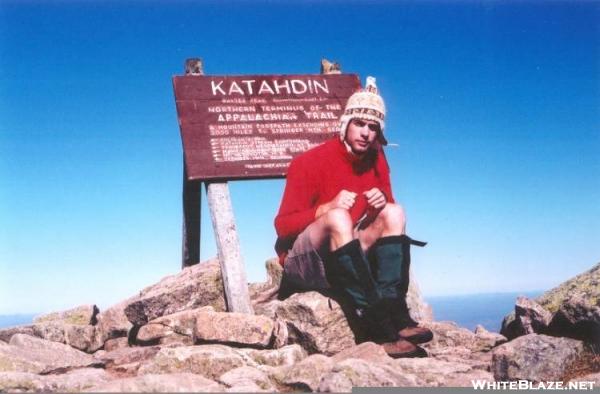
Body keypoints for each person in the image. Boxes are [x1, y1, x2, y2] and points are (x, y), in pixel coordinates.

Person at [273, 76, 433, 358]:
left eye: (373, 127)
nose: (366, 133)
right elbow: (283, 226)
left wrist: (382, 202)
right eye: (359, 123)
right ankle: (374, 327)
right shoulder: (308, 162)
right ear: (345, 123)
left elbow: (386, 219)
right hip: (305, 264)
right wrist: (324, 209)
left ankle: (395, 313)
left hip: (347, 257)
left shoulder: (377, 159)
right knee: (338, 218)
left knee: (395, 212)